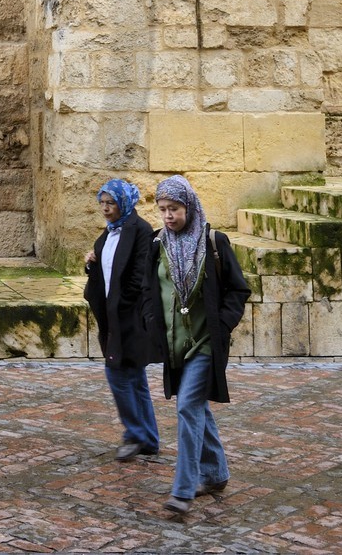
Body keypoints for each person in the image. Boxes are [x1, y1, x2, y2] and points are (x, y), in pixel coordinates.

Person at [141, 174, 252, 516]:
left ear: (188, 206)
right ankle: (216, 473)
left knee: (188, 406)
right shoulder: (158, 246)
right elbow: (149, 291)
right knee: (196, 406)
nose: (168, 216)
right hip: (176, 345)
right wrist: (151, 322)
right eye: (162, 210)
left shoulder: (214, 242)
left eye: (173, 208)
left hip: (205, 343)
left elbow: (238, 290)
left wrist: (223, 326)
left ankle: (184, 489)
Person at [82, 178, 160, 462]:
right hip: (112, 316)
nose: (104, 208)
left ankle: (134, 434)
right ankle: (149, 438)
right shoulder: (108, 233)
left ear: (124, 203)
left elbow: (140, 274)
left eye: (110, 203)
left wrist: (125, 304)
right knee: (135, 377)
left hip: (129, 317)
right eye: (101, 203)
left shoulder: (140, 230)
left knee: (117, 374)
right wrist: (91, 263)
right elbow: (105, 272)